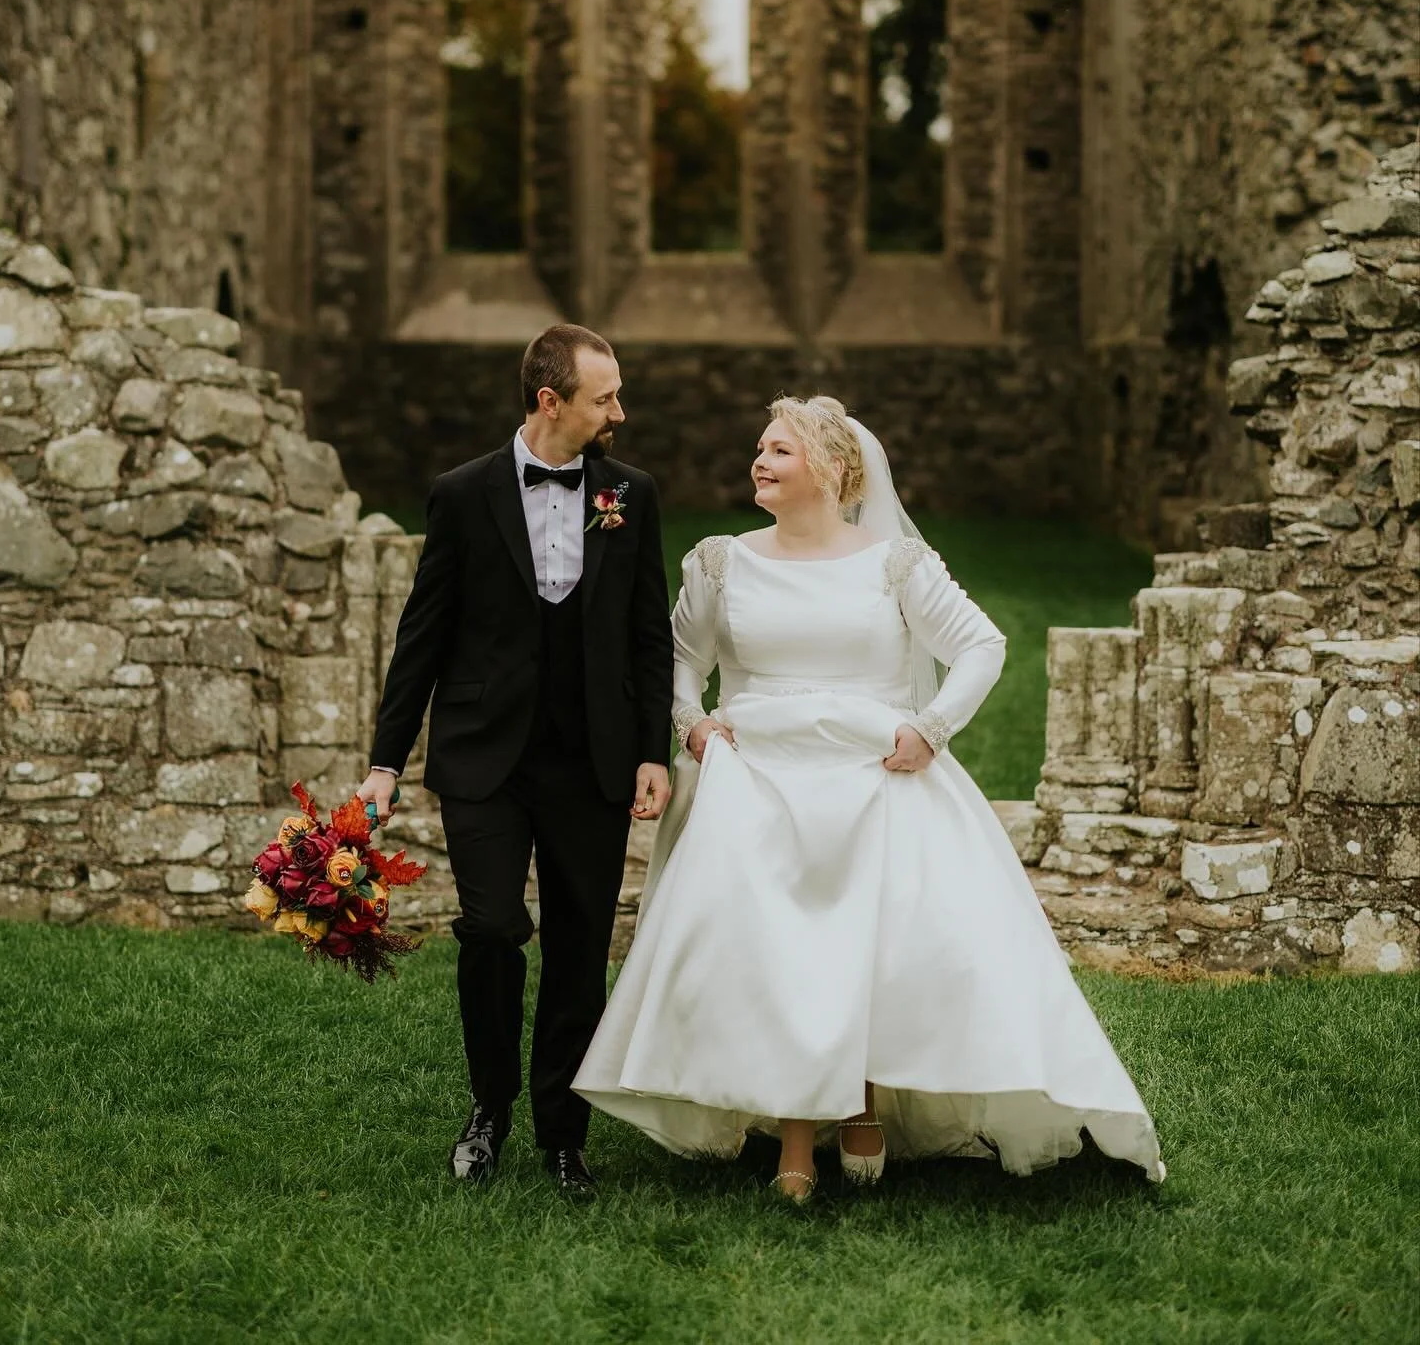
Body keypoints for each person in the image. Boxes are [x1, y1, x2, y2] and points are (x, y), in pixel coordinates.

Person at [575, 395, 1163, 1201]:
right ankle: (792, 1132)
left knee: (869, 941)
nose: (759, 461)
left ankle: (859, 1101)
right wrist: (694, 725)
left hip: (872, 774)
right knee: (777, 950)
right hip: (757, 778)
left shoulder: (894, 564)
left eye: (778, 450)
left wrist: (931, 727)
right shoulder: (721, 560)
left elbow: (982, 645)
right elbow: (677, 655)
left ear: (833, 470)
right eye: (759, 447)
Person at [355, 324, 673, 1197]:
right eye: (605, 397)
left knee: (578, 947)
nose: (620, 411)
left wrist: (652, 750)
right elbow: (421, 636)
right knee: (493, 929)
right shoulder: (462, 494)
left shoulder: (630, 495)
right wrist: (385, 762)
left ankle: (564, 1135)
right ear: (550, 401)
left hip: (595, 762)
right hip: (484, 758)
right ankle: (488, 1110)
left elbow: (651, 636)